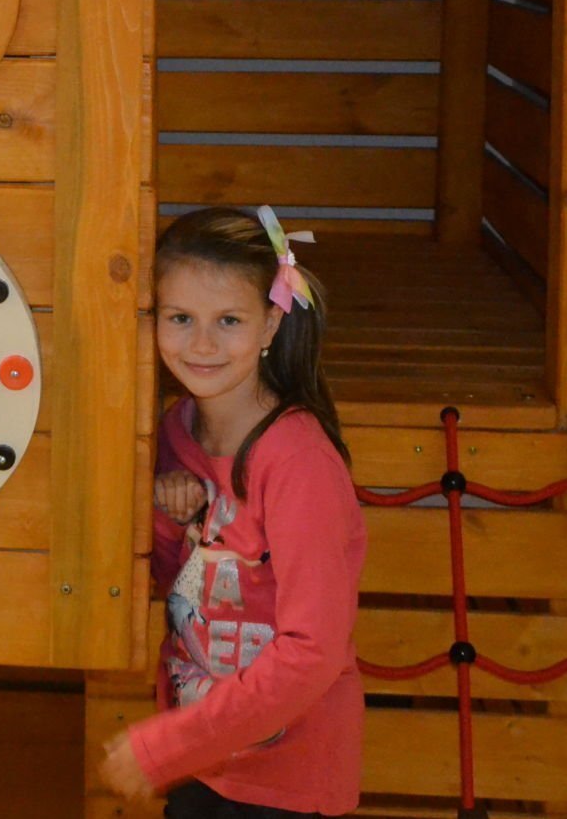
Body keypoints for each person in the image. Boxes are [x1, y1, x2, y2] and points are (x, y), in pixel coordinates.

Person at [99, 206, 366, 818]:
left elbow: (314, 649)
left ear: (270, 324)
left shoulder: (299, 461)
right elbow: (181, 586)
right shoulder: (176, 430)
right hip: (205, 762)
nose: (201, 344)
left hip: (286, 780)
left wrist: (169, 744)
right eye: (180, 318)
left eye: (228, 320)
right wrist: (170, 519)